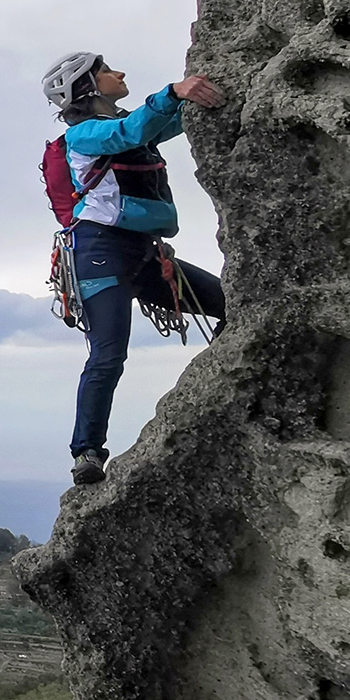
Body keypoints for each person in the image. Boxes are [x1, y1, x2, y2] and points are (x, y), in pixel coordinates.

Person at [41, 52, 227, 486]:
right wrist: (172, 92)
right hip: (99, 249)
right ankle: (86, 452)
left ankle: (220, 372)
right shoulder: (85, 135)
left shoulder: (123, 130)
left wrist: (200, 98)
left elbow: (162, 125)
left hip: (143, 251)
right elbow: (132, 129)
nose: (119, 74)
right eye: (106, 71)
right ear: (87, 87)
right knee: (108, 354)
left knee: (230, 301)